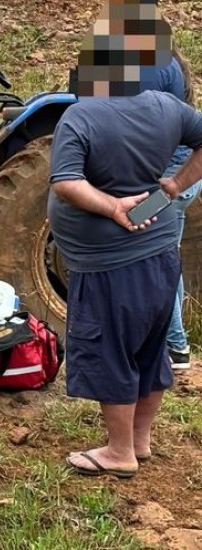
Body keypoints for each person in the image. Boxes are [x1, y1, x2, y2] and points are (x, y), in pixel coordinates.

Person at [51, 3, 202, 478]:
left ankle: (118, 452)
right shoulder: (166, 107)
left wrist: (111, 206)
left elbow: (65, 182)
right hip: (159, 257)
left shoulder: (81, 117)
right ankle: (140, 441)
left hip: (108, 263)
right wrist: (174, 186)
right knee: (150, 348)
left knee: (111, 349)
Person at [153, 51, 202, 370]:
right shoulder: (167, 61)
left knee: (156, 260)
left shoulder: (155, 66)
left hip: (171, 182)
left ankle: (174, 346)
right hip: (181, 180)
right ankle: (176, 343)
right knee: (166, 257)